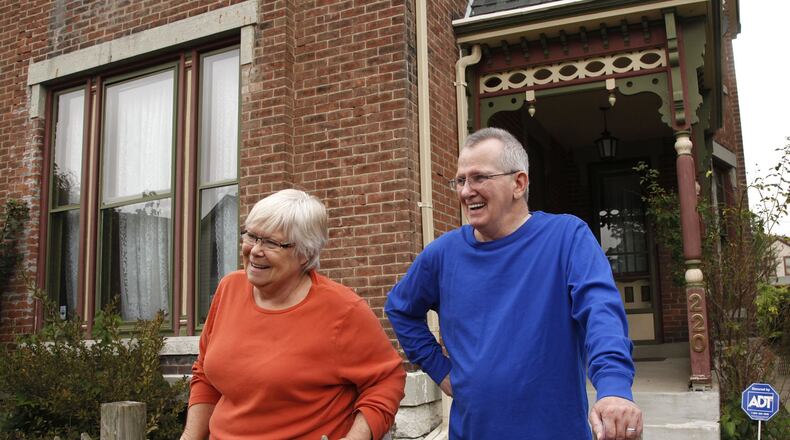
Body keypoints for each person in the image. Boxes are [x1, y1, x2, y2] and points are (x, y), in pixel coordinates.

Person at [384, 127, 643, 439]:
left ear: (519, 183)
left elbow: (600, 310)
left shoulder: (566, 238)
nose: (466, 191)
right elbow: (400, 308)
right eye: (461, 180)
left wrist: (613, 386)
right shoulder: (443, 254)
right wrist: (440, 371)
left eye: (479, 177)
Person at [182, 189, 406, 440]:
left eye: (271, 242)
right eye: (252, 236)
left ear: (305, 254)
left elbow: (386, 381)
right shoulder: (229, 289)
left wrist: (357, 437)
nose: (255, 250)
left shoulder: (343, 311)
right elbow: (205, 374)